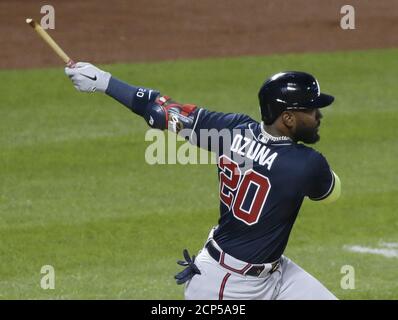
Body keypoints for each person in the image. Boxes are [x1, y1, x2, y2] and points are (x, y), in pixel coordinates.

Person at [65, 63, 341, 300]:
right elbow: (329, 193)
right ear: (288, 118)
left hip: (276, 275)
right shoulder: (307, 164)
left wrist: (104, 81)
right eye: (312, 109)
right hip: (226, 286)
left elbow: (160, 110)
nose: (319, 115)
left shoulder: (230, 129)